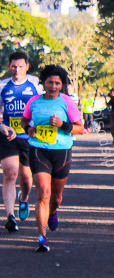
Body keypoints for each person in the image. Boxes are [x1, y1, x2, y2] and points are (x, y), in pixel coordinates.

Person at [23, 65, 84, 252]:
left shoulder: (66, 102)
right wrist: (29, 130)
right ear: (44, 83)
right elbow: (25, 120)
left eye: (58, 83)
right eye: (50, 82)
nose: (54, 86)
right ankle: (42, 237)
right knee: (43, 192)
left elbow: (80, 128)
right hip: (38, 150)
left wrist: (62, 124)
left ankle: (54, 211)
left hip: (62, 151)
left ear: (62, 84)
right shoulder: (33, 101)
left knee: (56, 198)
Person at [0, 51, 40, 223]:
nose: (17, 70)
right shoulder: (2, 86)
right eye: (14, 67)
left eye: (21, 67)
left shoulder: (35, 85)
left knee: (26, 177)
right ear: (9, 67)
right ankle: (10, 216)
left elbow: (41, 108)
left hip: (28, 136)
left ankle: (23, 198)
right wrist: (2, 126)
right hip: (8, 135)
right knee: (10, 172)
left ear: (27, 67)